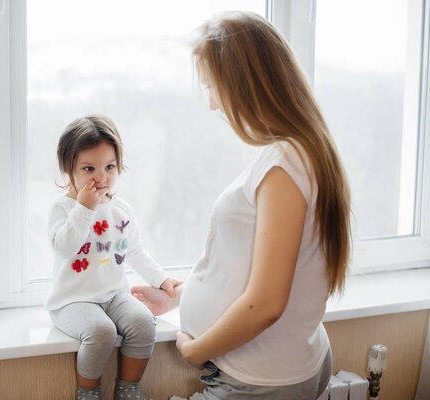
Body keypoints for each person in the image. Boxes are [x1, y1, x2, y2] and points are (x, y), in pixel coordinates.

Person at [131, 11, 351, 400]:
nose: (214, 104)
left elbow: (267, 302)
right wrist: (182, 296)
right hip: (274, 368)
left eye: (213, 87)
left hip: (259, 380)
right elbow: (259, 265)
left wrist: (197, 350)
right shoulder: (299, 153)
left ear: (244, 85)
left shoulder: (286, 165)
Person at [46, 114, 182, 400]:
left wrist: (162, 279)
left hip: (113, 295)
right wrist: (84, 209)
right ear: (68, 168)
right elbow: (64, 247)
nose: (101, 176)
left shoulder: (121, 209)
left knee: (144, 323)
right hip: (72, 300)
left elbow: (134, 250)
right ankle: (87, 392)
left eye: (109, 166)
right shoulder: (63, 208)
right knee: (101, 332)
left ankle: (128, 389)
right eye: (89, 168)